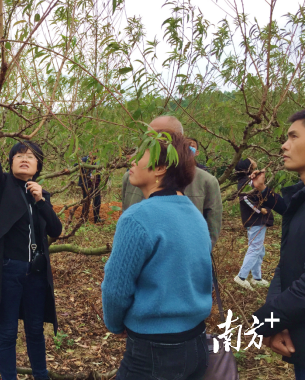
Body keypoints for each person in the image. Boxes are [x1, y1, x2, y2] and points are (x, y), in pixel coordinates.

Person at [0, 105, 62, 380]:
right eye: (18, 155)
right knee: (7, 331)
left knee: (34, 330)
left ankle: (41, 375)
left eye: (30, 156)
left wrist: (42, 201)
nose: (24, 159)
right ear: (11, 163)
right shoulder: (2, 185)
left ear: (38, 165)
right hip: (9, 270)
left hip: (36, 273)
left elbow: (56, 229)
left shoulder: (42, 194)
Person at [103, 131, 211, 379]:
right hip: (196, 342)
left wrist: (115, 324)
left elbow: (115, 289)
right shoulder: (195, 214)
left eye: (140, 155)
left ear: (160, 168)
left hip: (154, 351)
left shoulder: (137, 217)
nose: (132, 159)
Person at [250, 109, 305, 379]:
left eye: (293, 136)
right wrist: (276, 322)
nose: (284, 145)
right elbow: (287, 263)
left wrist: (265, 321)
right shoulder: (300, 198)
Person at [121, 116, 222, 247]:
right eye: (148, 138)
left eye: (160, 137)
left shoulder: (206, 181)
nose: (152, 143)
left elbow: (211, 232)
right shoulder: (131, 178)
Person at [233, 158, 272, 290]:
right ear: (248, 167)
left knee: (259, 250)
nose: (255, 162)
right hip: (255, 219)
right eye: (252, 161)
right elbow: (245, 198)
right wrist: (259, 209)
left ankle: (257, 278)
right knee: (255, 248)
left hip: (256, 220)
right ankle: (241, 277)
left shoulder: (247, 181)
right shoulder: (244, 183)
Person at [78, 155, 104, 223]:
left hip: (96, 185)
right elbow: (77, 166)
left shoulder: (98, 161)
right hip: (87, 186)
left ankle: (97, 218)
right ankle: (83, 218)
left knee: (97, 202)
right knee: (86, 202)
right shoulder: (84, 159)